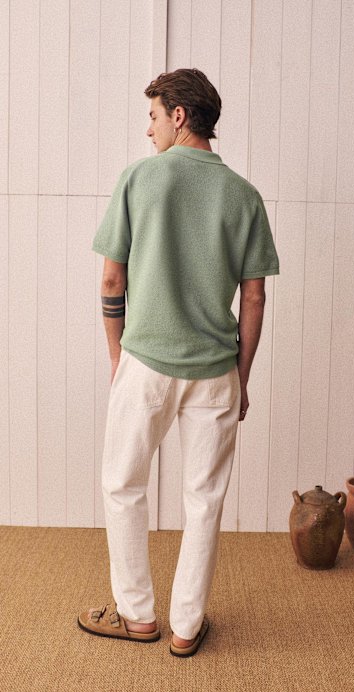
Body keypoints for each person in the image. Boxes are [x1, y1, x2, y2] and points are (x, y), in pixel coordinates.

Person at [77, 68, 279, 657]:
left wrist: (118, 357)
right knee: (205, 499)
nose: (149, 130)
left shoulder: (140, 178)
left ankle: (138, 616)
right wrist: (241, 378)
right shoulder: (244, 195)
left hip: (145, 363)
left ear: (180, 116)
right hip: (215, 372)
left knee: (123, 485)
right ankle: (187, 627)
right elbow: (255, 297)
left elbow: (111, 279)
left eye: (153, 116)